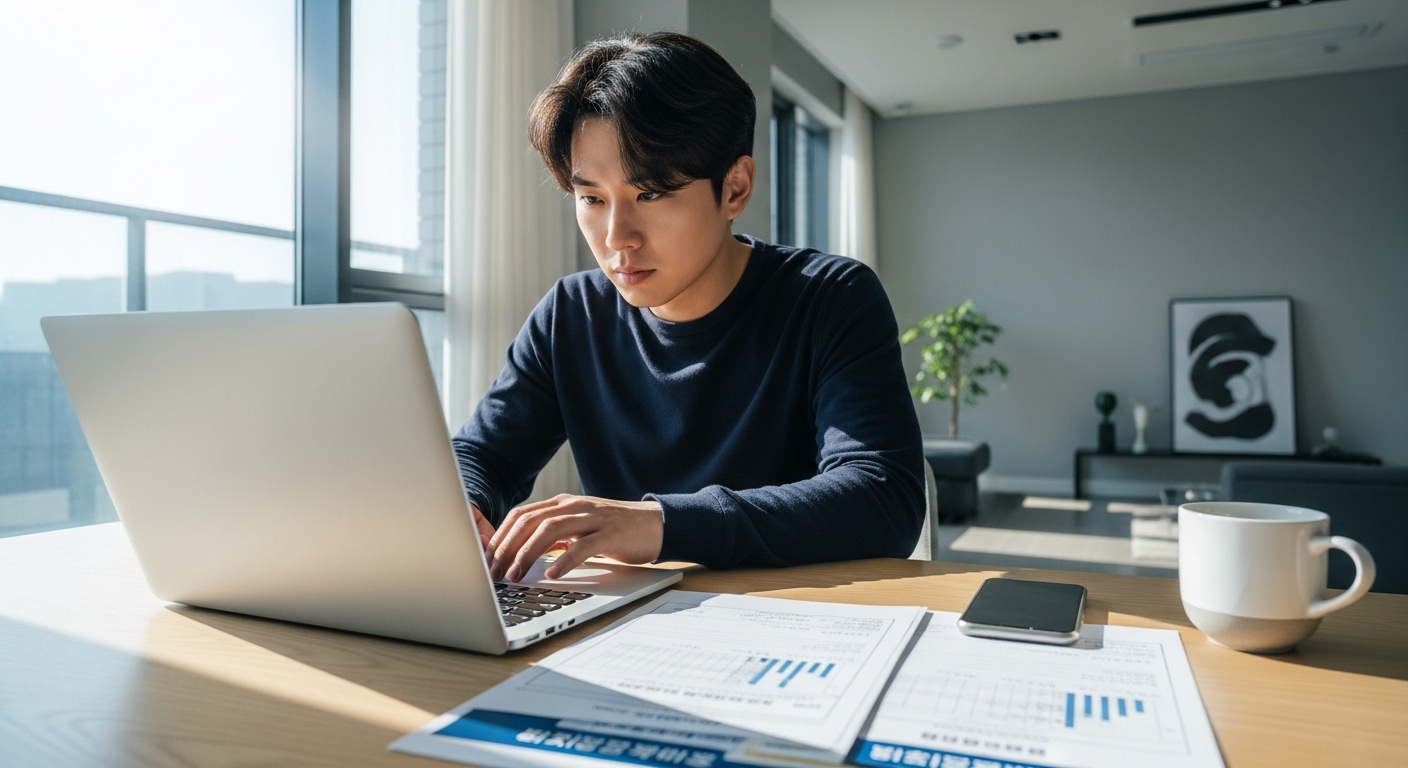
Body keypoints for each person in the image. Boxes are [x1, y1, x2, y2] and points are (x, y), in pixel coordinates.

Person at [453, 31, 924, 584]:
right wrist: (461, 505)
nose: (617, 236)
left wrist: (660, 524)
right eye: (592, 198)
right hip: (628, 618)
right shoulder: (571, 314)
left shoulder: (830, 297)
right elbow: (482, 456)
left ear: (735, 189)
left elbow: (881, 496)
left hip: (796, 618)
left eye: (649, 194)